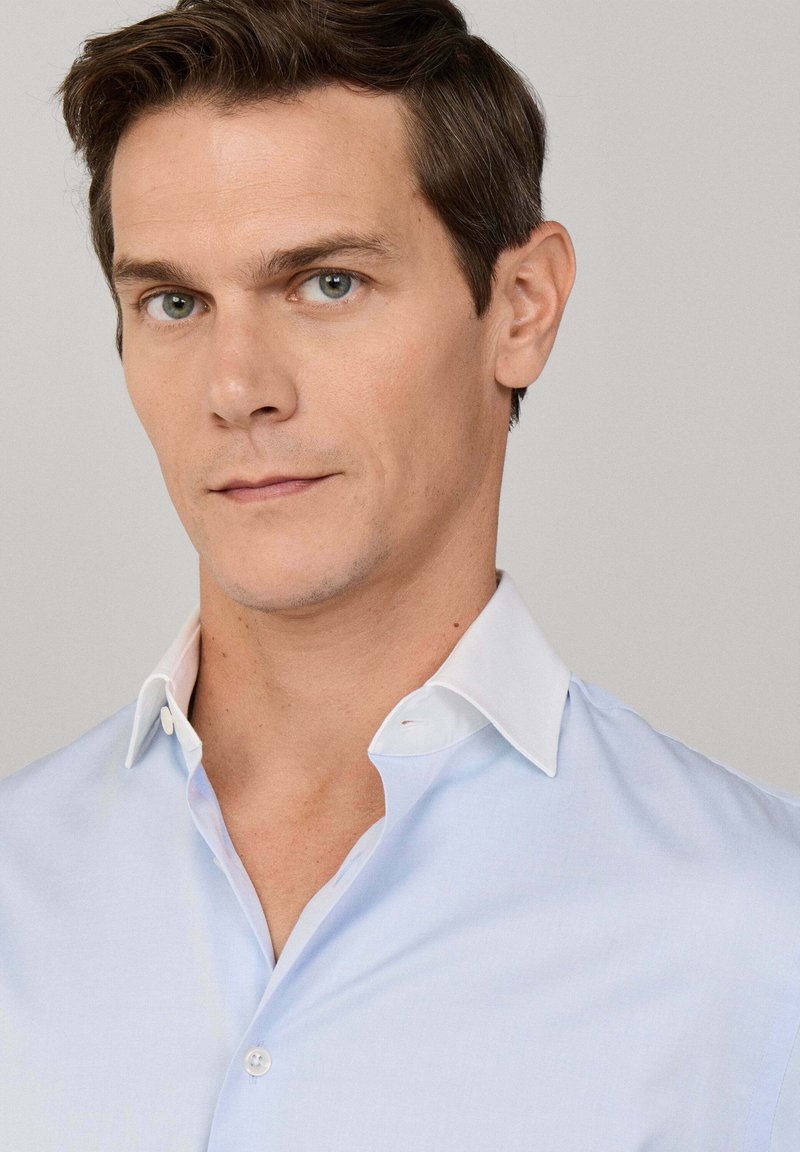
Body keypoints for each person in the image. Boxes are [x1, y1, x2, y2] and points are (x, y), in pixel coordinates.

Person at [1, 0, 797, 1147]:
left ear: (520, 309)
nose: (237, 388)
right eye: (174, 303)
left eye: (325, 283)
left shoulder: (758, 937)